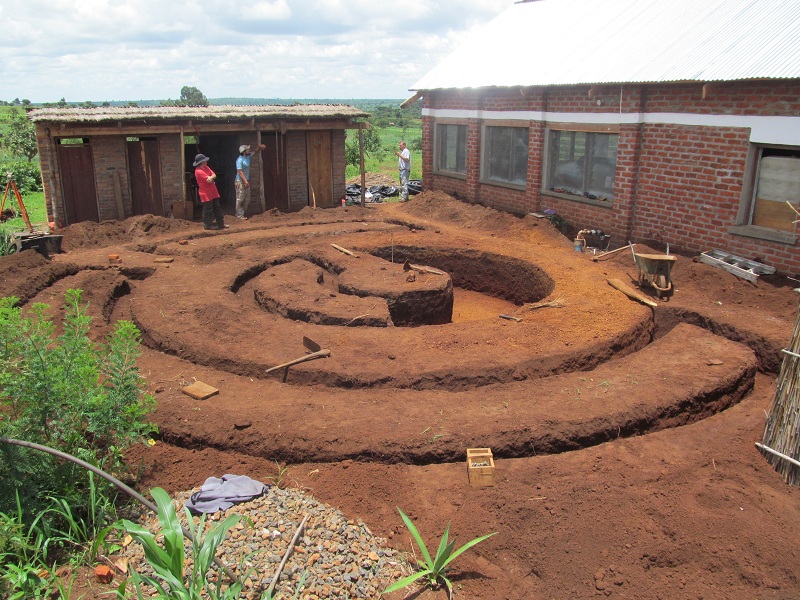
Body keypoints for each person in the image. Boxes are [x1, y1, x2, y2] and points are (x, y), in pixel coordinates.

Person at [193, 153, 228, 230]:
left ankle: (221, 223)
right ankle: (207, 225)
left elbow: (214, 175)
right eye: (205, 161)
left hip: (213, 191)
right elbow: (209, 180)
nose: (206, 162)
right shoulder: (198, 171)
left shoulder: (206, 167)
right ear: (201, 162)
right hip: (206, 193)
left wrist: (211, 177)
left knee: (217, 208)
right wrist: (211, 177)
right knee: (208, 209)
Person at [235, 143, 266, 220]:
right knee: (240, 198)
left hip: (246, 181)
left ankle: (242, 212)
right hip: (240, 181)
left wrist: (259, 147)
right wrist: (245, 181)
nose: (249, 150)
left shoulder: (247, 157)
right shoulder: (239, 160)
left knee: (247, 198)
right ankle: (239, 215)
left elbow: (255, 152)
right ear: (243, 151)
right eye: (247, 149)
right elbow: (240, 172)